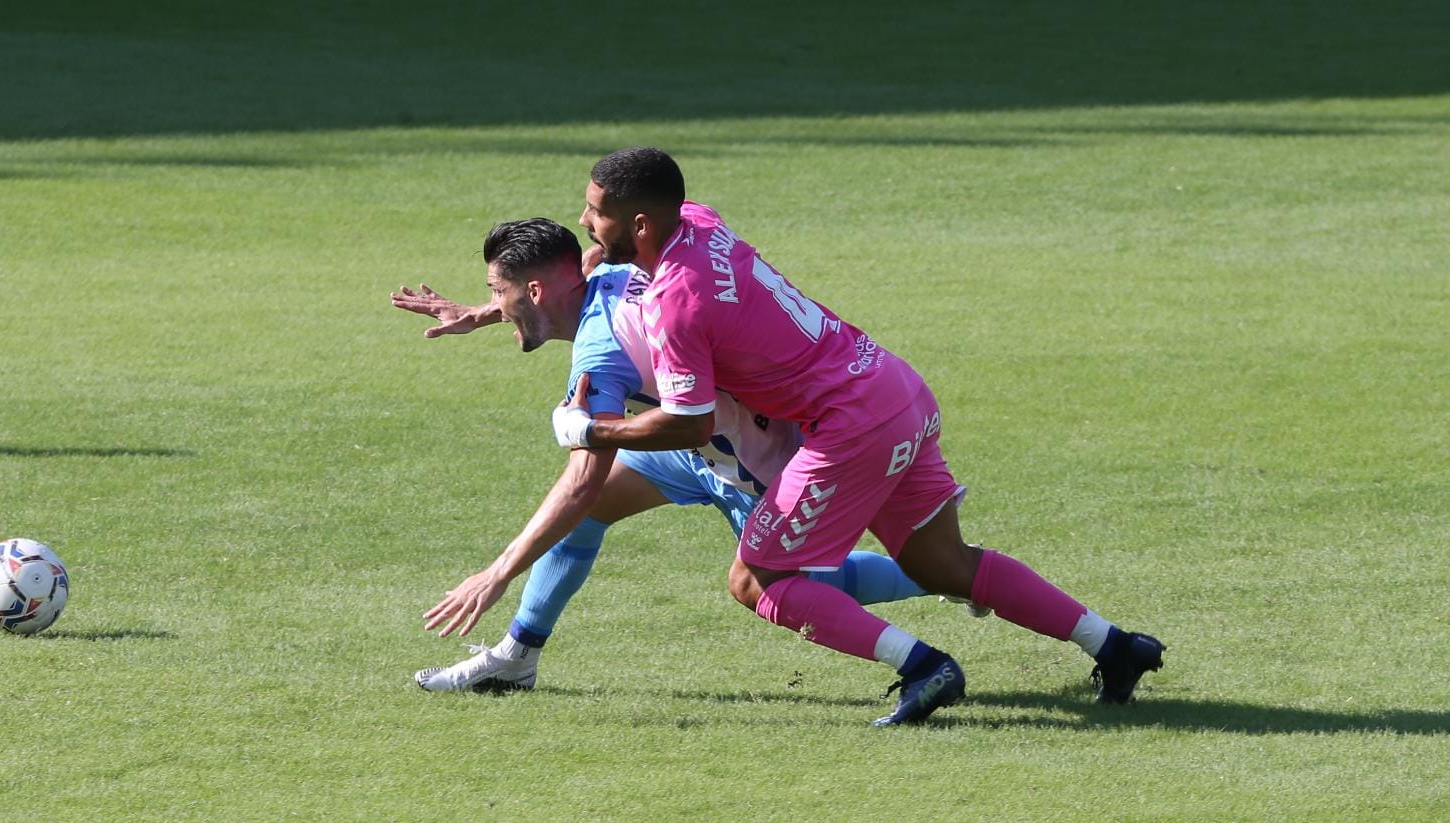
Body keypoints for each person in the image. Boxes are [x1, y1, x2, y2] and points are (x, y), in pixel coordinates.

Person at [549, 147, 1164, 724]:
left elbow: (690, 422)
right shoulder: (701, 222)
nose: (583, 221)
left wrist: (590, 429)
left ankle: (925, 666)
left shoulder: (677, 303)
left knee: (757, 581)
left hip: (850, 427)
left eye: (595, 214)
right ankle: (1115, 646)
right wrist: (527, 293)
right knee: (942, 563)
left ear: (640, 223)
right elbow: (644, 250)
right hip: (896, 389)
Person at [396, 218, 938, 692]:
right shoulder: (608, 268)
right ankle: (518, 657)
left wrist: (497, 573)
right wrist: (489, 311)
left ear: (535, 290)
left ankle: (943, 572)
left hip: (752, 465)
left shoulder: (598, 360)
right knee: (591, 514)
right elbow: (581, 265)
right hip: (694, 445)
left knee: (808, 586)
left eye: (497, 289)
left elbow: (581, 479)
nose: (493, 299)